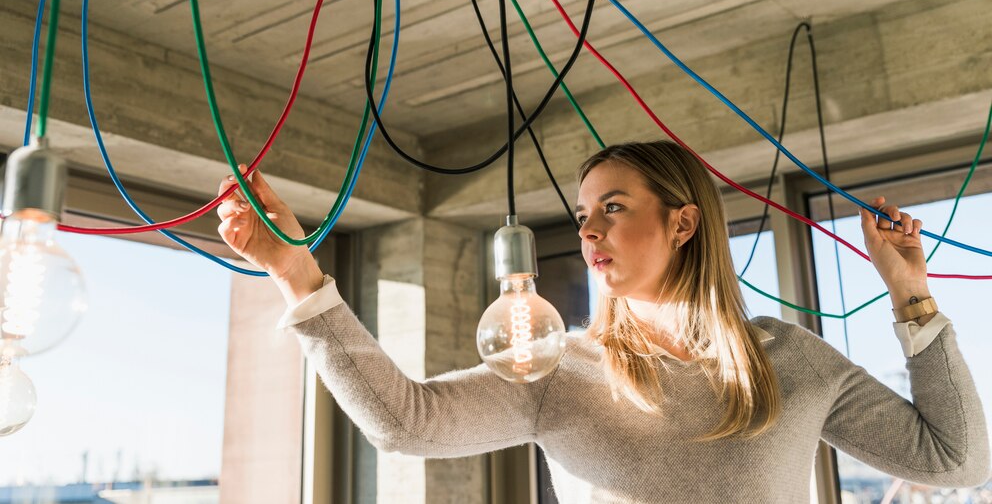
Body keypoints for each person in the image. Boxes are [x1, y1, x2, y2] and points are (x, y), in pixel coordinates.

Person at [216, 140, 990, 503]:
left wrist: (909, 293)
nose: (588, 234)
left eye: (613, 211)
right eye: (584, 215)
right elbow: (406, 423)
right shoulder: (557, 364)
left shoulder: (792, 359)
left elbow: (958, 461)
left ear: (683, 224)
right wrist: (298, 275)